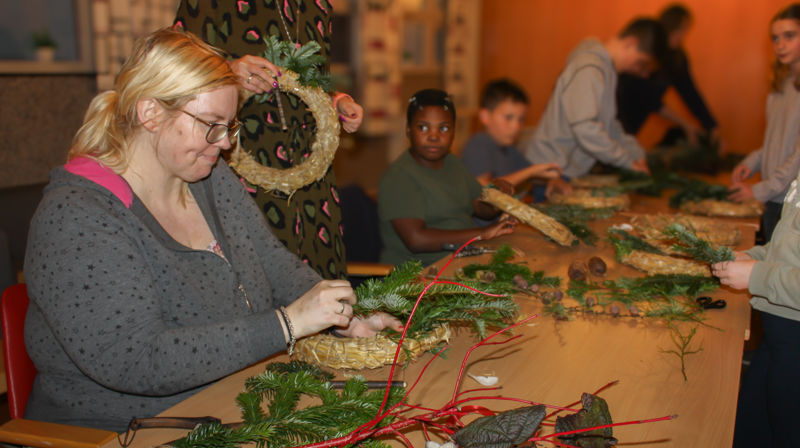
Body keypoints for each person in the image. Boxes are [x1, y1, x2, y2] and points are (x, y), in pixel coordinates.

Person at [22, 29, 401, 432]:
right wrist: (287, 324)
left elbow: (275, 266)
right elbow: (137, 361)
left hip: (230, 402)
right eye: (210, 125)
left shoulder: (208, 177)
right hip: (122, 430)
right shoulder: (77, 217)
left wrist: (346, 319)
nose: (222, 144)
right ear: (149, 113)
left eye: (229, 126)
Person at [174, 0, 363, 280]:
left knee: (323, 288)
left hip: (312, 181)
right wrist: (227, 71)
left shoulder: (318, 7)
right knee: (257, 284)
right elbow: (171, 63)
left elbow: (311, 80)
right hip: (238, 170)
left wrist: (335, 101)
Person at [523, 18, 667, 193]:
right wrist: (625, 161)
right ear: (631, 42)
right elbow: (585, 128)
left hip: (562, 169)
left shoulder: (605, 69)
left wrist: (636, 153)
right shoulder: (590, 67)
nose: (640, 72)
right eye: (641, 62)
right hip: (550, 171)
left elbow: (609, 125)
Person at [712, 167, 800, 447]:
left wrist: (757, 275)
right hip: (777, 339)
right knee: (750, 427)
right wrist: (751, 256)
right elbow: (787, 249)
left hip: (793, 343)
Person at [378, 89, 516, 267]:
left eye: (443, 128)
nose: (434, 136)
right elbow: (416, 240)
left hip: (462, 262)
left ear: (453, 133)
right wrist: (482, 234)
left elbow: (481, 209)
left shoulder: (451, 163)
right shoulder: (399, 177)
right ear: (408, 130)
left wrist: (498, 196)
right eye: (423, 127)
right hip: (419, 277)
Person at [729, 4, 800, 243]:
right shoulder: (780, 87)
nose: (780, 44)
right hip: (773, 198)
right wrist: (753, 162)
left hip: (791, 204)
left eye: (790, 36)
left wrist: (758, 190)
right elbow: (774, 143)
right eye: (775, 38)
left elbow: (797, 157)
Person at [616, 4, 717, 146]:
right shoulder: (649, 50)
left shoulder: (677, 58)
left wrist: (711, 125)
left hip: (632, 127)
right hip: (618, 116)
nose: (683, 35)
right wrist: (686, 124)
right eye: (682, 29)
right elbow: (647, 98)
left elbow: (690, 93)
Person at [460, 78, 562, 194]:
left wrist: (552, 181)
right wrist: (530, 172)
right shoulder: (478, 144)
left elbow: (536, 176)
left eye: (521, 119)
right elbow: (484, 189)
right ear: (485, 116)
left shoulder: (510, 150)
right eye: (508, 118)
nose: (516, 126)